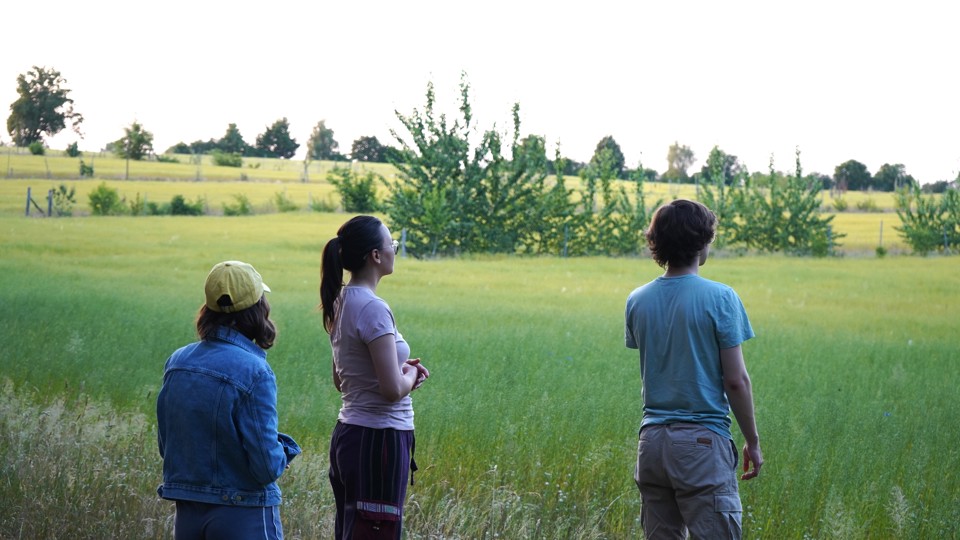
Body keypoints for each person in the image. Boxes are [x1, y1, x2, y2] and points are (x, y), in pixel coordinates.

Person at [624, 199, 763, 539]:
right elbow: (736, 380)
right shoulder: (721, 297)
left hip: (652, 444)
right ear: (703, 242)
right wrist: (752, 442)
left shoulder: (637, 300)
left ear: (658, 244)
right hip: (702, 444)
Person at [157, 260, 300, 540]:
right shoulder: (255, 371)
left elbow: (169, 446)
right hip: (243, 513)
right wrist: (284, 451)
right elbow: (266, 468)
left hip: (188, 514)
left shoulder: (177, 361)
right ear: (258, 308)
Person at [320, 215, 430, 539]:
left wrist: (395, 369)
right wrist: (410, 373)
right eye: (391, 244)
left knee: (353, 531)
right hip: (378, 441)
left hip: (349, 436)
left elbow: (342, 380)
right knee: (375, 533)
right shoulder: (373, 308)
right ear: (376, 256)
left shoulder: (340, 302)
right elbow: (392, 389)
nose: (395, 249)